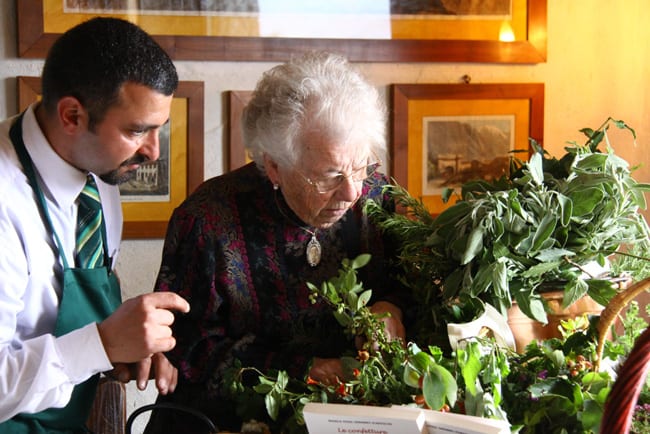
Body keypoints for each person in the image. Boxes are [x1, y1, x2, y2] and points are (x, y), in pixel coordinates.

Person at [144, 51, 409, 433]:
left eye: (361, 165)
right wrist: (307, 372)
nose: (352, 191)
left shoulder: (378, 199)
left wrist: (391, 309)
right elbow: (186, 350)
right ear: (273, 166)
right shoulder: (207, 221)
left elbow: (409, 287)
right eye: (331, 175)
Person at [0, 17, 190, 432]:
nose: (154, 152)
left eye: (159, 129)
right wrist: (101, 344)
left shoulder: (99, 173)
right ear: (72, 115)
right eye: (137, 130)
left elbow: (67, 324)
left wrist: (125, 348)